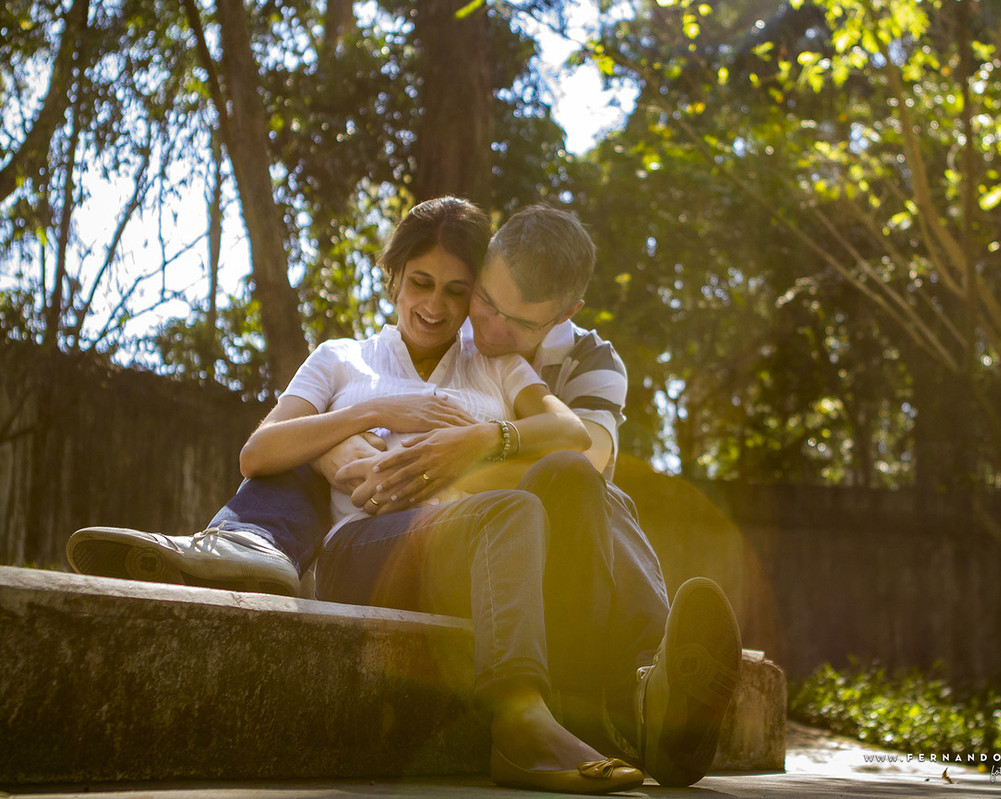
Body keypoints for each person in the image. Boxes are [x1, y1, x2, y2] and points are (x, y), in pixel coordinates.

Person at [67, 200, 741, 789]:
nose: (444, 308)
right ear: (393, 278)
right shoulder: (341, 358)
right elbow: (260, 450)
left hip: (469, 545)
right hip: (368, 546)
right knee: (515, 507)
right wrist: (364, 418)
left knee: (558, 492)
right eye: (423, 283)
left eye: (457, 290)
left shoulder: (499, 364)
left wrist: (481, 439)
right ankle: (523, 718)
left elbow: (575, 440)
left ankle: (645, 697)